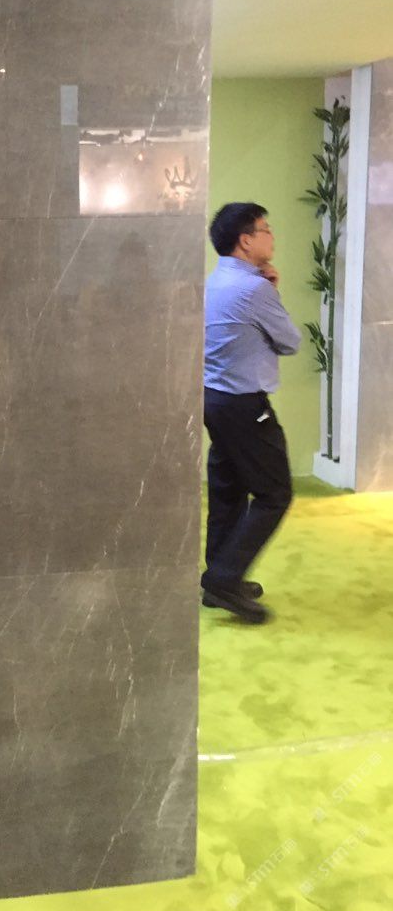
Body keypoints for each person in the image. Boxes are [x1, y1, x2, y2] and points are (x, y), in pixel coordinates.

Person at [202, 202, 301, 624]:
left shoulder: (215, 280)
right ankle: (224, 578)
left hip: (215, 400)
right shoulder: (254, 289)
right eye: (265, 229)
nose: (271, 236)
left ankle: (218, 579)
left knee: (228, 490)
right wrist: (273, 291)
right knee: (274, 494)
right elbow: (290, 341)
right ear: (245, 240)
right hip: (245, 406)